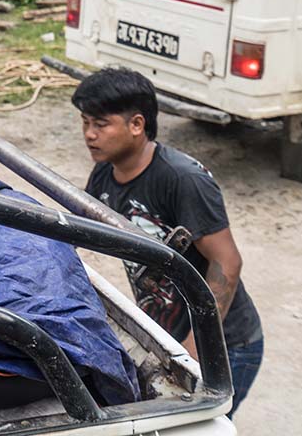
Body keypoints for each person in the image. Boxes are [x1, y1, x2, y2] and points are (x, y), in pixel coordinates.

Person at [73, 68, 262, 418]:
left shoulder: (181, 179)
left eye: (100, 124)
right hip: (165, 338)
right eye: (85, 122)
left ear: (137, 125)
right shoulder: (105, 172)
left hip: (225, 344)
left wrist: (192, 352)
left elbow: (228, 262)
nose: (89, 134)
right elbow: (78, 231)